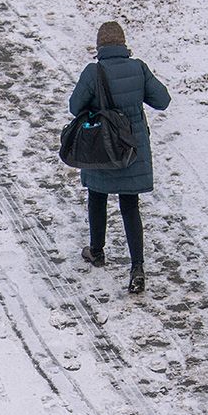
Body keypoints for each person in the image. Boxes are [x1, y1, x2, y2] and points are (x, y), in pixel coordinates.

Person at [67, 21, 171, 293]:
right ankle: (137, 268)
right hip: (130, 149)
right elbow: (162, 100)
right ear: (123, 44)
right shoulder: (138, 69)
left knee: (97, 196)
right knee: (130, 205)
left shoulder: (93, 72)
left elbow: (74, 106)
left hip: (101, 147)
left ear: (100, 46)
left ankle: (97, 251)